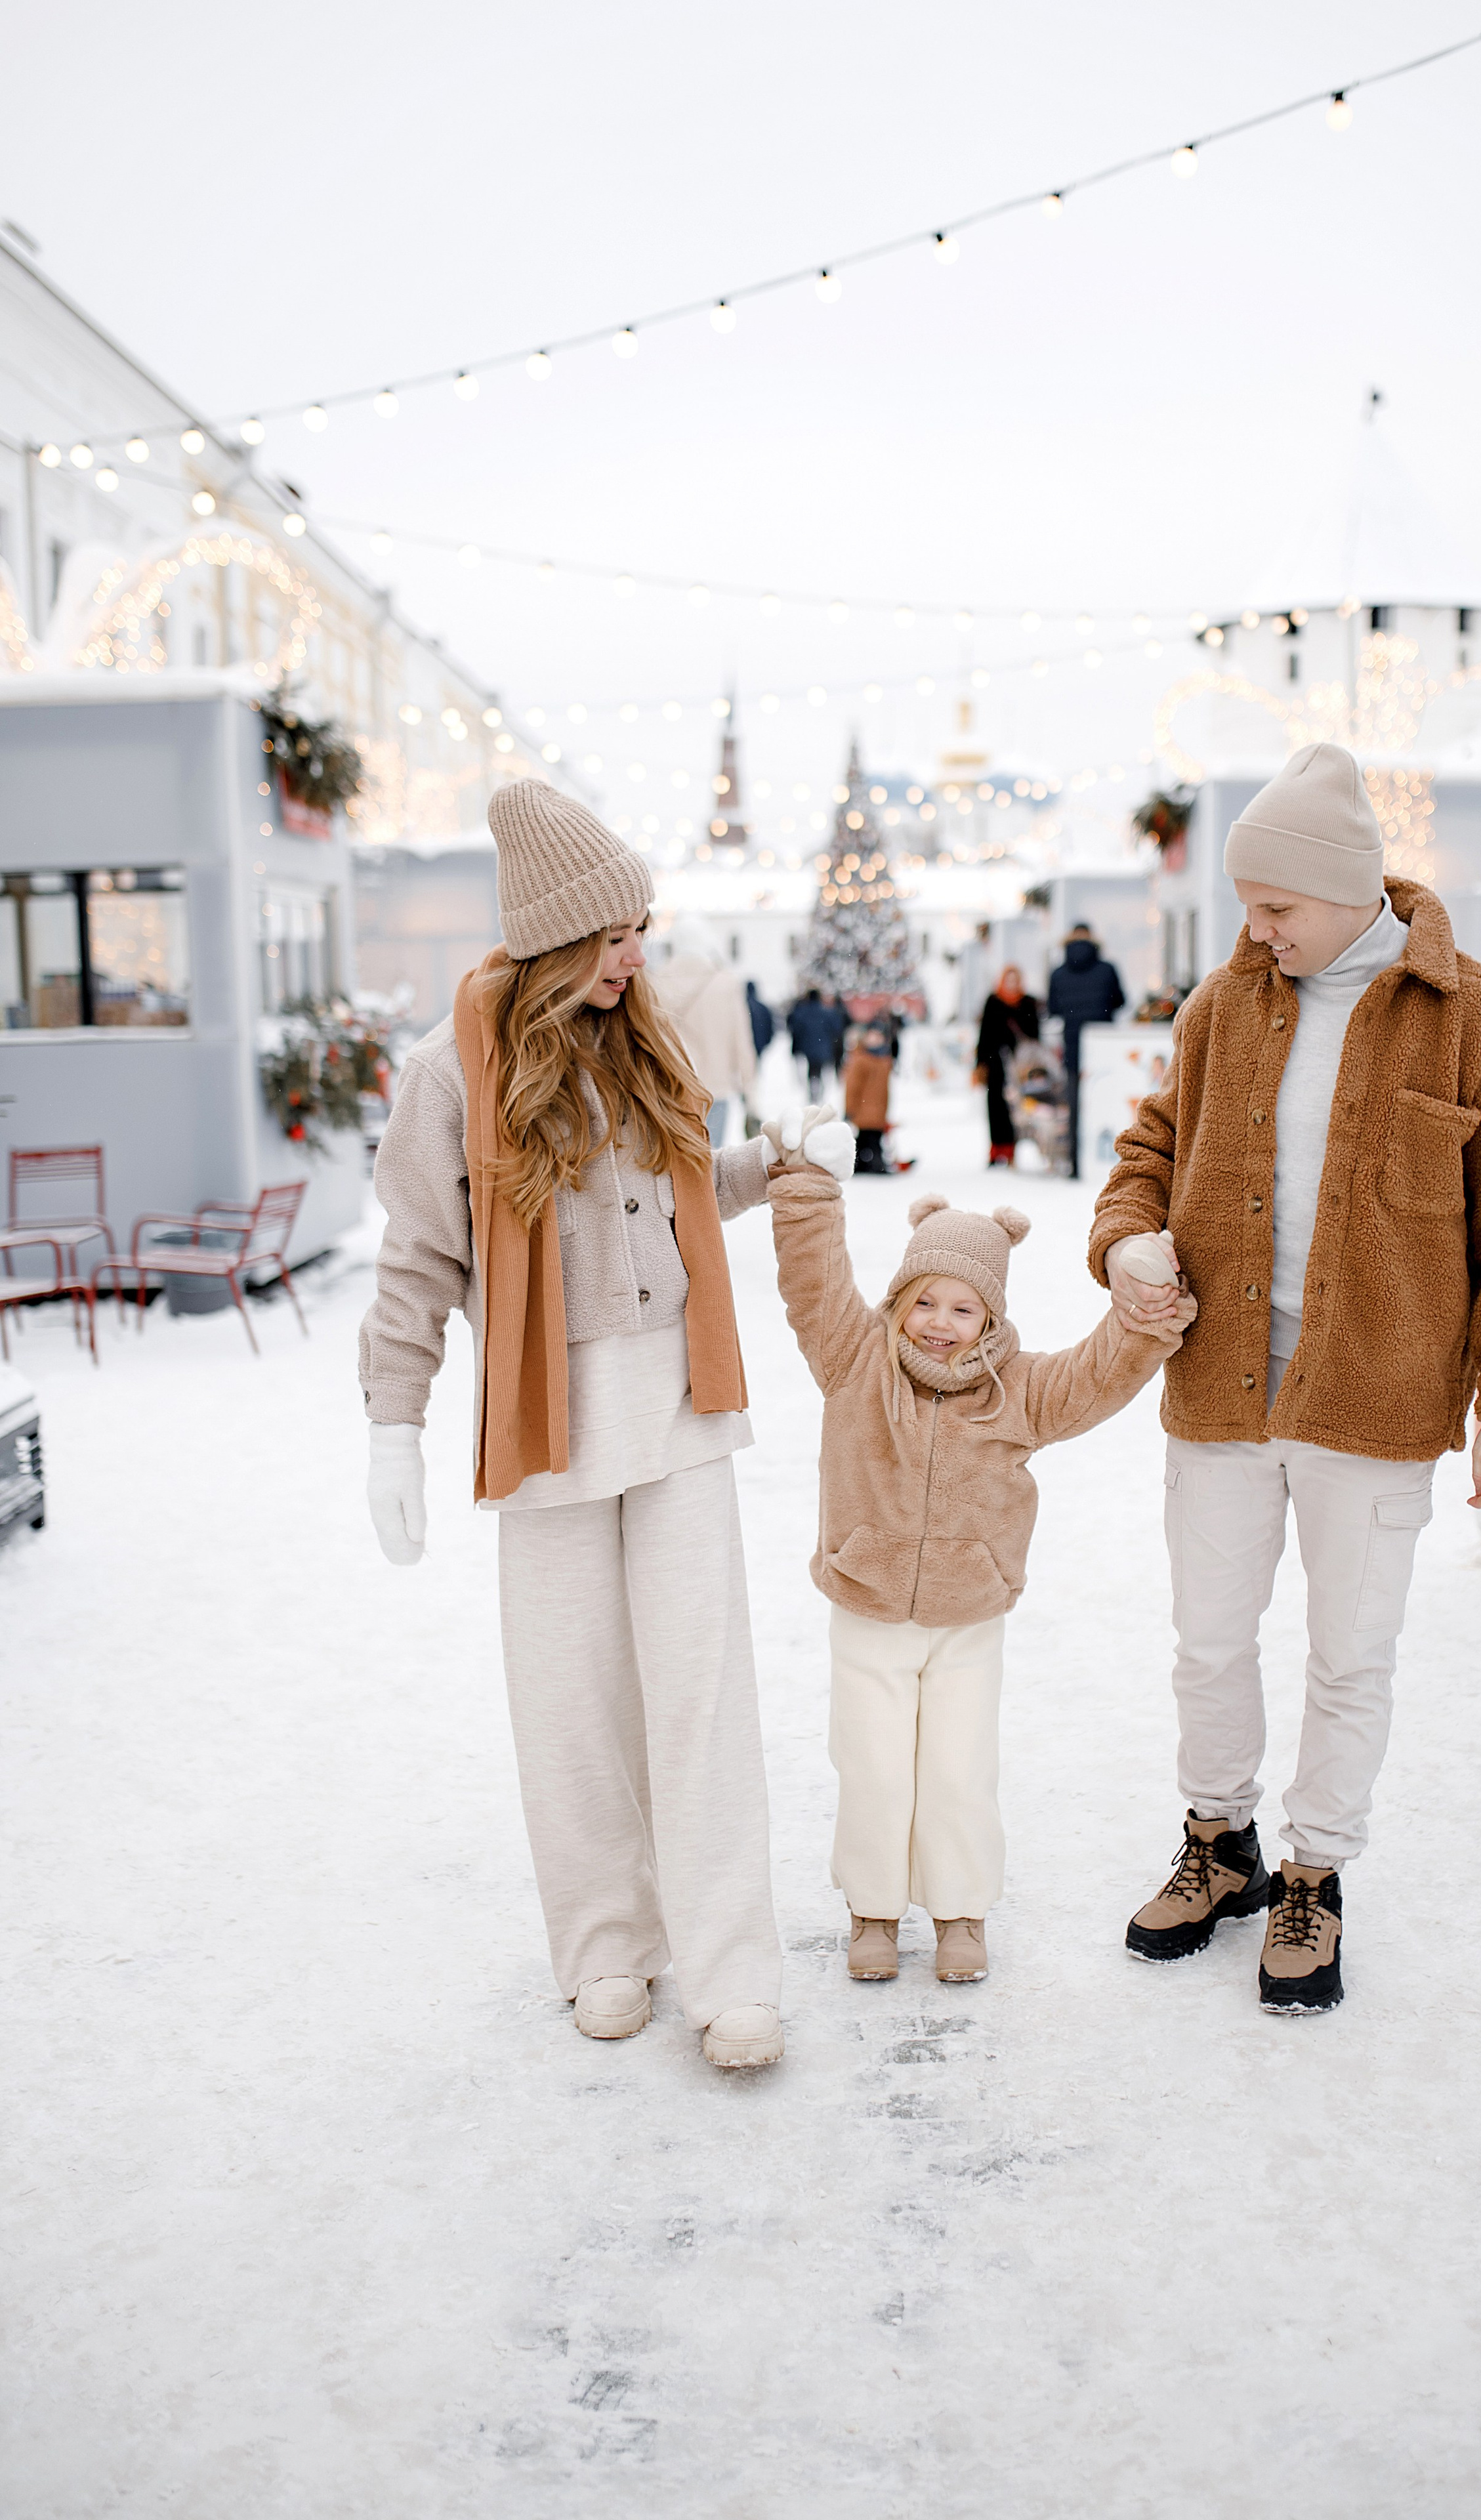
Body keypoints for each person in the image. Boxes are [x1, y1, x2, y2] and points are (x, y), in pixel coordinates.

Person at [358, 780, 839, 2071]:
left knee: (698, 1690)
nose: (638, 955)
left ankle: (732, 1968)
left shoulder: (652, 1039)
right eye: (615, 934)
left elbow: (683, 1197)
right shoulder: (448, 1073)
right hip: (545, 1420)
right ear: (554, 939)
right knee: (570, 1700)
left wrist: (777, 1160)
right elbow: (415, 1262)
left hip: (675, 1406)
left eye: (642, 928)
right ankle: (606, 1947)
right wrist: (391, 1426)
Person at [1093, 742, 1481, 2014]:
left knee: (1347, 1656)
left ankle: (1314, 1873)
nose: (1255, 929)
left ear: (1351, 887)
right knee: (1206, 1643)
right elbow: (1146, 1148)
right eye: (1247, 907)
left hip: (1372, 1401)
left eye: (1276, 907)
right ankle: (1217, 1843)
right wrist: (1123, 1240)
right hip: (1218, 1390)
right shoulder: (1219, 1007)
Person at [767, 1154, 1191, 1986]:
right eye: (923, 1300)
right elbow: (813, 1283)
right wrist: (807, 1191)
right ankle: (873, 1911)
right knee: (875, 1767)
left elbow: (1100, 1374)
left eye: (963, 1307)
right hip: (867, 1604)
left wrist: (1143, 1316)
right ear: (897, 1300)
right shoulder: (856, 1361)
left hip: (968, 1614)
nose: (939, 1321)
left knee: (959, 1769)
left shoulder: (1019, 1391)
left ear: (991, 1315)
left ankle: (961, 1912)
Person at [652, 915, 759, 1147]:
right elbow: (742, 1043)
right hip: (716, 1090)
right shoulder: (726, 983)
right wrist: (751, 1098)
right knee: (710, 1161)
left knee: (677, 1169)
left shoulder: (657, 982)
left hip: (672, 1090)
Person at [1047, 926, 1125, 1179]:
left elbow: (1054, 1008)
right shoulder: (1107, 969)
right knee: (1106, 1102)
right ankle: (1108, 1161)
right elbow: (1120, 1001)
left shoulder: (1058, 973)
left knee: (1075, 1107)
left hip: (1073, 1045)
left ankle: (1075, 1163)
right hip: (1104, 1047)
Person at [973, 963, 1041, 1167]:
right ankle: (996, 1150)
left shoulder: (1028, 1003)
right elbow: (985, 1034)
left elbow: (1034, 1033)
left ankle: (1012, 1150)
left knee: (1017, 1108)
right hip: (995, 1063)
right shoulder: (993, 1001)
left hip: (1020, 1065)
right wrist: (981, 1063)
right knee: (995, 1106)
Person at [844, 1015, 896, 1173]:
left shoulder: (884, 1059)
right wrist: (850, 1108)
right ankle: (872, 1165)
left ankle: (864, 1164)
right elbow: (853, 1086)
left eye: (879, 1037)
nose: (875, 1040)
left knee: (870, 1140)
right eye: (872, 1036)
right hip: (864, 1109)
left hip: (879, 1109)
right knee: (868, 1140)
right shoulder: (860, 1059)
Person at [788, 986, 848, 1099]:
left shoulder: (802, 1012)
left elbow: (794, 1027)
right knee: (820, 1067)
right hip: (824, 1046)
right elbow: (837, 1028)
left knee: (811, 1067)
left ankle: (813, 1086)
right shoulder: (827, 1012)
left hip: (808, 1046)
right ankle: (818, 1087)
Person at [744, 976, 776, 1060]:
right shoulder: (762, 1008)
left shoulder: (742, 1007)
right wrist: (766, 1041)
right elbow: (769, 1025)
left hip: (746, 1043)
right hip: (759, 1043)